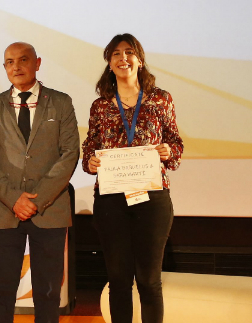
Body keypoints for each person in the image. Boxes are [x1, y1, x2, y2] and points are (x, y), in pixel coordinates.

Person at [82, 34, 182, 323]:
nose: (122, 58)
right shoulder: (100, 105)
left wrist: (168, 150)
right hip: (111, 201)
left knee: (149, 281)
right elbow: (89, 146)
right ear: (109, 62)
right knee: (119, 280)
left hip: (152, 198)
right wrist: (90, 161)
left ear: (140, 60)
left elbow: (176, 143)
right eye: (116, 53)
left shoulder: (161, 99)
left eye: (129, 52)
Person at [0, 42, 79, 323]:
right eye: (9, 62)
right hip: (4, 211)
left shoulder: (61, 102)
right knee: (1, 294)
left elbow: (70, 153)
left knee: (48, 294)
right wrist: (14, 199)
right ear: (4, 67)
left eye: (23, 60)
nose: (16, 67)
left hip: (50, 210)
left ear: (37, 63)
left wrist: (37, 199)